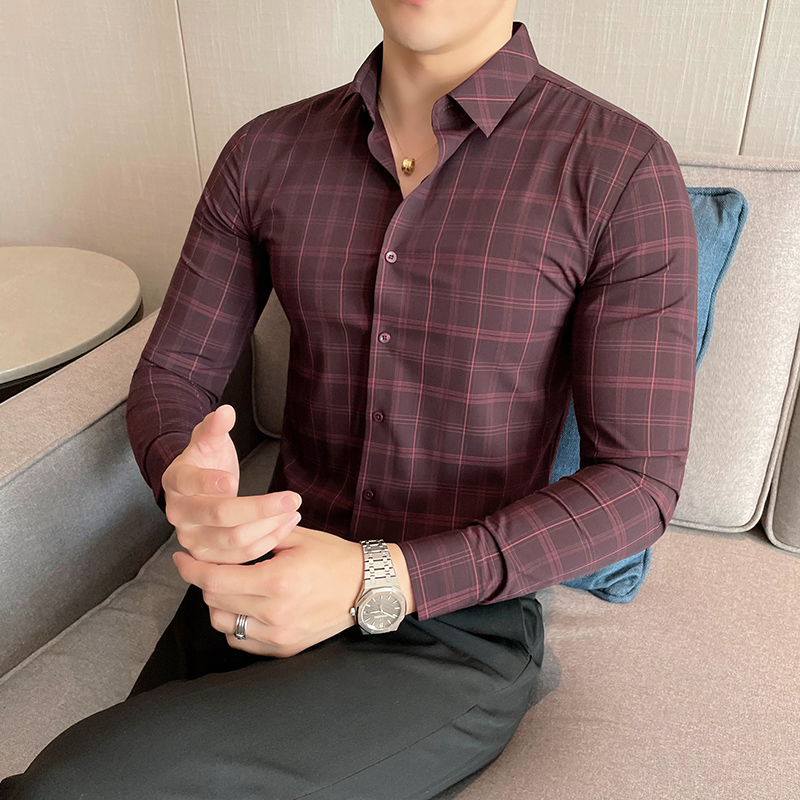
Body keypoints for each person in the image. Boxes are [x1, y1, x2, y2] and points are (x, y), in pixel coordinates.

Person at [0, 0, 698, 798]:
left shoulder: (618, 168)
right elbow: (172, 373)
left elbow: (638, 483)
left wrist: (376, 578)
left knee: (74, 784)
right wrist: (182, 477)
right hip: (261, 583)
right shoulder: (265, 152)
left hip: (452, 628)